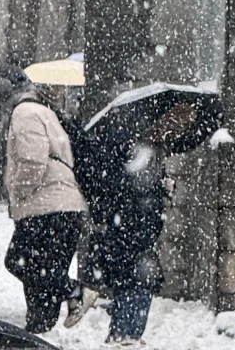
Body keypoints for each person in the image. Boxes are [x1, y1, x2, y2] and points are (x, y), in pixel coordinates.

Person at [66, 101, 199, 342]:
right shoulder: (142, 146)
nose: (182, 130)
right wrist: (160, 190)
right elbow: (134, 188)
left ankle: (124, 335)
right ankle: (125, 336)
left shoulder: (151, 146)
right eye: (180, 124)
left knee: (132, 281)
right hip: (131, 226)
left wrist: (164, 186)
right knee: (136, 282)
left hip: (133, 227)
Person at [2, 72, 88, 334]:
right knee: (46, 275)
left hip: (46, 207)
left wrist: (20, 192)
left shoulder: (25, 112)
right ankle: (40, 333)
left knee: (18, 260)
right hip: (64, 207)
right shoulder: (49, 113)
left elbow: (32, 161)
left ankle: (75, 290)